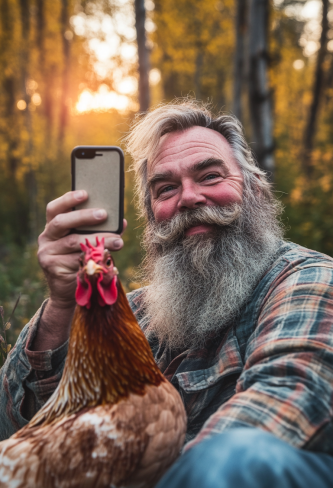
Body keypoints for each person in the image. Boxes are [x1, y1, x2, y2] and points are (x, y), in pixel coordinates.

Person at [1, 100, 333, 488]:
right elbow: (18, 431)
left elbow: (286, 404)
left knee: (238, 456)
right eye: (166, 188)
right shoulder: (134, 312)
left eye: (210, 176)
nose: (189, 197)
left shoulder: (307, 278)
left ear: (255, 189)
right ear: (152, 214)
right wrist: (63, 303)